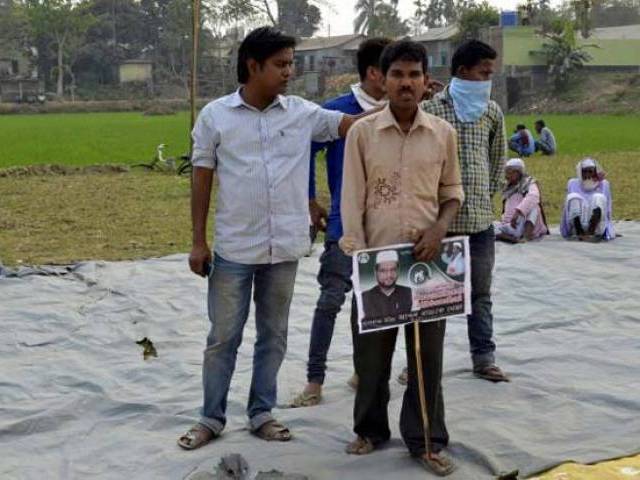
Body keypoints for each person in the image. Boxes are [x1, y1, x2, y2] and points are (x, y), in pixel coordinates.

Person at [178, 26, 374, 451]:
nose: (290, 72)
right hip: (234, 248)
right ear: (253, 66)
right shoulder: (215, 116)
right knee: (223, 337)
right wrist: (198, 240)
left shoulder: (302, 113)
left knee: (274, 335)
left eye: (291, 64)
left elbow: (351, 126)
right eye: (281, 64)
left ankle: (261, 411)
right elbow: (201, 179)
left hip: (283, 248)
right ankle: (211, 418)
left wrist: (400, 101)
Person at [340, 40, 464, 476]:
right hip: (376, 261)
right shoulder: (362, 133)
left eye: (414, 75)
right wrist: (356, 251)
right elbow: (352, 197)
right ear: (382, 78)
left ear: (426, 80)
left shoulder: (443, 134)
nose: (406, 83)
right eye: (397, 75)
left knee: (426, 358)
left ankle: (426, 439)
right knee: (371, 358)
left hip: (428, 263)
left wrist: (439, 228)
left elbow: (451, 194)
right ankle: (370, 430)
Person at [290, 37, 392, 409]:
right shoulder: (336, 112)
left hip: (386, 225)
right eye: (394, 72)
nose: (402, 81)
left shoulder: (403, 112)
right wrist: (310, 199)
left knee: (376, 302)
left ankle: (363, 371)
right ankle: (314, 381)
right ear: (374, 73)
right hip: (343, 223)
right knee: (331, 298)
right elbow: (303, 152)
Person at [422, 39, 510, 382]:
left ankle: (483, 358)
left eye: (491, 73)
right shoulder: (432, 111)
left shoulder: (491, 111)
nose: (488, 79)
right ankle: (423, 364)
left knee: (481, 295)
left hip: (479, 224)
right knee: (432, 299)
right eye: (483, 72)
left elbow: (497, 160)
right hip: (439, 225)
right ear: (463, 72)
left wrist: (484, 198)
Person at [494, 158, 549, 243]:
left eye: (510, 173)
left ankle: (525, 237)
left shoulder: (529, 183)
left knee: (534, 207)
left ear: (518, 172)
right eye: (506, 173)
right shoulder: (508, 187)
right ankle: (510, 238)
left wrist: (518, 212)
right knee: (490, 227)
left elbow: (533, 196)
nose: (507, 176)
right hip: (509, 225)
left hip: (524, 225)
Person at [560, 158, 615, 241]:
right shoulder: (573, 183)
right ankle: (580, 233)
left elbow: (607, 209)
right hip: (577, 226)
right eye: (585, 171)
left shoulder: (603, 184)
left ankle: (590, 232)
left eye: (590, 172)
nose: (587, 174)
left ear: (595, 172)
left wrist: (609, 229)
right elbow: (567, 208)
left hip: (597, 228)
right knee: (573, 197)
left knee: (598, 197)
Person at [361, 250, 413, 319]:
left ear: (398, 270)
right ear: (376, 272)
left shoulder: (408, 292)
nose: (389, 275)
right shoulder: (365, 297)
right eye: (383, 271)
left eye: (393, 270)